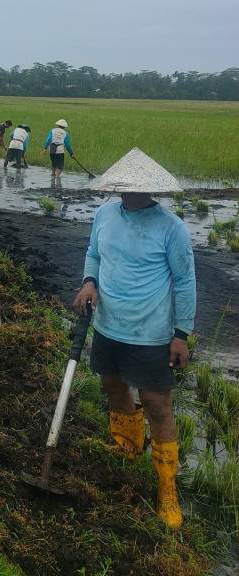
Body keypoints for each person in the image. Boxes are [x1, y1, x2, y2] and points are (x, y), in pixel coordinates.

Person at [72, 148, 196, 530]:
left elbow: (185, 281)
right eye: (125, 188)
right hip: (108, 326)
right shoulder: (105, 214)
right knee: (112, 387)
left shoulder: (171, 227)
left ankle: (166, 489)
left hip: (152, 334)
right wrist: (89, 281)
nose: (130, 195)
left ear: (151, 190)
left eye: (138, 190)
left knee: (158, 405)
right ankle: (126, 449)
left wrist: (180, 334)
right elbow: (93, 253)